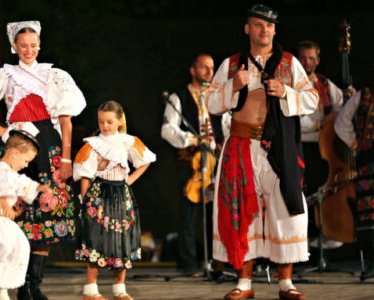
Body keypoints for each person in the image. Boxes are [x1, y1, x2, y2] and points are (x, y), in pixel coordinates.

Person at [0, 21, 86, 300]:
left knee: (47, 214)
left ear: (39, 44)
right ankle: (16, 284)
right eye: (23, 45)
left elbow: (66, 122)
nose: (29, 50)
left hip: (49, 147)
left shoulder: (54, 75)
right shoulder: (5, 76)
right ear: (14, 46)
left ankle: (33, 286)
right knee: (16, 215)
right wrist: (1, 131)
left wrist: (66, 158)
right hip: (19, 147)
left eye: (33, 45)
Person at [205, 5, 319, 300]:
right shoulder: (232, 64)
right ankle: (244, 283)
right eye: (258, 24)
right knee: (243, 210)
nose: (264, 30)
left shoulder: (289, 63)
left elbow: (312, 99)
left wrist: (286, 92)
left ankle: (286, 284)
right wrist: (232, 85)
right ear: (248, 29)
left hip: (278, 146)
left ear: (275, 30)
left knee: (285, 208)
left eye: (269, 25)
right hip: (241, 145)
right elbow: (211, 104)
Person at [74, 101, 156, 300]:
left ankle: (119, 288)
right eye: (101, 121)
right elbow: (85, 175)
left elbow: (145, 161)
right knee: (96, 237)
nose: (105, 126)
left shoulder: (128, 141)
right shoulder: (93, 144)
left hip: (121, 194)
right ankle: (91, 290)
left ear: (120, 121)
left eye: (109, 121)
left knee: (122, 237)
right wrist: (86, 202)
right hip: (99, 194)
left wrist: (128, 181)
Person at [0, 125, 53, 300]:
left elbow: (21, 183)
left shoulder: (10, 172)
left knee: (20, 247)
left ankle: (2, 289)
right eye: (25, 161)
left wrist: (38, 187)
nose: (25, 165)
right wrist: (4, 204)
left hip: (5, 220)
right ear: (15, 152)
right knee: (2, 248)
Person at [161, 53, 224, 275]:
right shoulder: (180, 97)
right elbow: (167, 130)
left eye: (212, 67)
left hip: (215, 162)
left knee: (216, 214)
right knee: (187, 216)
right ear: (193, 70)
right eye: (204, 67)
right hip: (190, 163)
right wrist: (193, 139)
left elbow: (225, 125)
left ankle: (217, 261)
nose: (209, 71)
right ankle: (187, 264)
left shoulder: (217, 97)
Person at [334, 53, 374, 281]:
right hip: (371, 153)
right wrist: (355, 143)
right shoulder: (364, 94)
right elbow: (341, 121)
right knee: (370, 209)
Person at [297, 40, 344, 249]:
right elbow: (292, 120)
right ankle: (300, 241)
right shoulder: (290, 85)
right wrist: (319, 123)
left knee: (320, 191)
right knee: (300, 194)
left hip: (321, 148)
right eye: (303, 58)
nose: (307, 63)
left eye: (311, 58)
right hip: (299, 146)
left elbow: (340, 105)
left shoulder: (324, 84)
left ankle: (320, 239)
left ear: (317, 61)